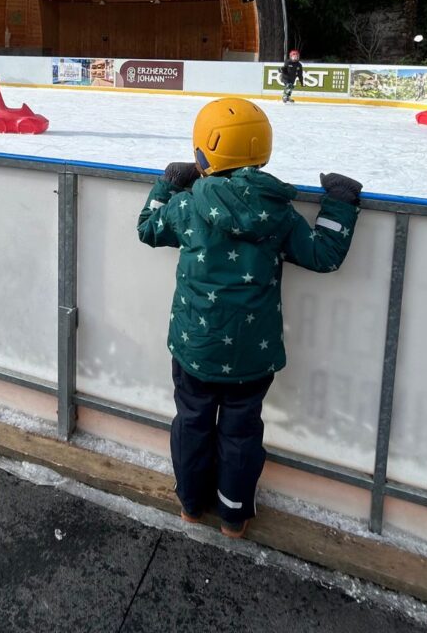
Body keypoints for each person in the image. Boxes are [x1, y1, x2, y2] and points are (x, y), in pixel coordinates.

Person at [137, 97, 361, 539]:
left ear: (203, 153)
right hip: (250, 355)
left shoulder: (188, 206)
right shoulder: (277, 211)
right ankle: (234, 516)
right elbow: (323, 253)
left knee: (193, 422)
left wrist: (167, 184)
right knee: (240, 434)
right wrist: (340, 202)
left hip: (195, 349)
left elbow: (147, 227)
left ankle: (191, 504)